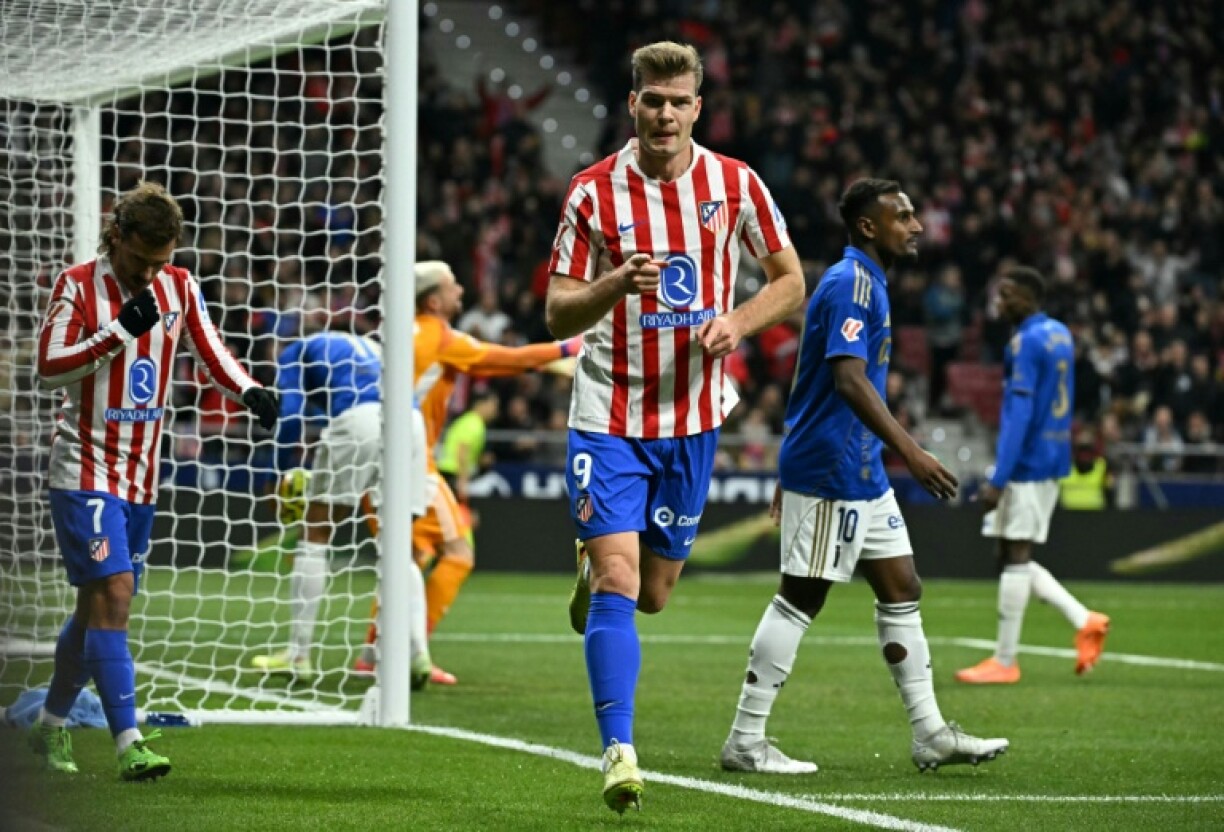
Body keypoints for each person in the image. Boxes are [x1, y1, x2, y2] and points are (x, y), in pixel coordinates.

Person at [546, 42, 806, 812]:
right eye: (651, 100)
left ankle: (595, 571)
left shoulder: (736, 184)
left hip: (692, 420)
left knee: (652, 593)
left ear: (699, 107)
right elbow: (558, 309)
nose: (664, 113)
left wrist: (739, 320)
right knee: (624, 582)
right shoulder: (592, 194)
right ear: (633, 105)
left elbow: (790, 280)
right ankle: (618, 749)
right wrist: (613, 284)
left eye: (678, 101)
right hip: (609, 414)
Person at [721, 178, 1009, 776]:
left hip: (857, 469)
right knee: (801, 596)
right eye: (902, 216)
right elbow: (849, 380)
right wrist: (912, 451)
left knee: (902, 587)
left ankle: (930, 732)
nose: (916, 225)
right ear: (868, 227)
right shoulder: (852, 282)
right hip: (833, 470)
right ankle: (746, 741)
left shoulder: (864, 281)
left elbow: (814, 380)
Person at [32, 181, 279, 779]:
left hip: (142, 475)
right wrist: (119, 330)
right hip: (85, 467)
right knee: (114, 594)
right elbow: (48, 366)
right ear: (117, 236)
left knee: (97, 609)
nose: (150, 274)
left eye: (161, 262)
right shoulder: (76, 285)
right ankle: (130, 743)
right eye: (142, 261)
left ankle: (50, 725)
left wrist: (246, 390)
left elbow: (208, 347)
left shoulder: (179, 284)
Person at [355, 261, 581, 684]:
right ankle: (411, 651)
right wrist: (567, 349)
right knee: (458, 554)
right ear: (435, 300)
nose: (462, 289)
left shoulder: (401, 335)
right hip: (411, 463)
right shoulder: (439, 336)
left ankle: (373, 654)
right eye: (454, 284)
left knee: (408, 557)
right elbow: (503, 360)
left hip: (375, 456)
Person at [249, 323, 434, 691]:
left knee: (316, 534)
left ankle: (298, 654)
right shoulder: (367, 347)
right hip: (411, 422)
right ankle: (417, 653)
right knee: (399, 544)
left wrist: (279, 474)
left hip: (360, 418)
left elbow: (290, 412)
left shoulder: (295, 351)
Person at [956, 267, 1110, 684]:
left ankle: (1005, 662)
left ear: (1027, 297)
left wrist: (999, 478)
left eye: (1006, 296)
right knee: (1009, 556)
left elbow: (1020, 413)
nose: (999, 303)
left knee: (1016, 556)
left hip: (1027, 462)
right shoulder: (1060, 334)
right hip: (1051, 453)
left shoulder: (1024, 342)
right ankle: (1084, 618)